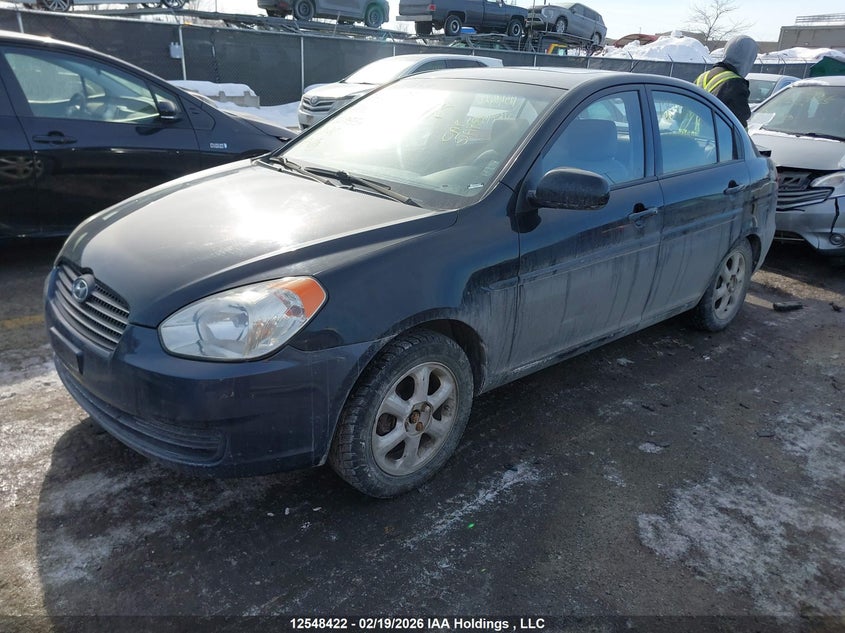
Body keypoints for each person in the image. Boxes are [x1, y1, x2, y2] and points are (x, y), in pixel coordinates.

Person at [695, 35, 758, 128]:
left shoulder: (703, 76)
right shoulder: (736, 84)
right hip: (716, 140)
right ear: (747, 59)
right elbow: (740, 118)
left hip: (690, 137)